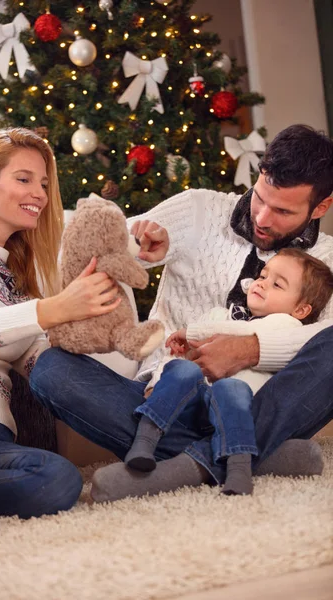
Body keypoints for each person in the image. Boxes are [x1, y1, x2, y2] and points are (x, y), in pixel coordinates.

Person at [30, 123, 333, 503]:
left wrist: (250, 349)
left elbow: (321, 345)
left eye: (283, 210)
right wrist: (137, 245)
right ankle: (254, 454)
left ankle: (191, 463)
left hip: (261, 402)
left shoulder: (327, 259)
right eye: (260, 198)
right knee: (51, 369)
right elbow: (93, 244)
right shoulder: (199, 208)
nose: (262, 218)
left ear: (321, 206)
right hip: (167, 398)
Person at [0, 127, 125, 539]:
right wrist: (53, 309)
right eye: (23, 179)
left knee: (59, 480)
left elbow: (39, 361)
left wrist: (102, 334)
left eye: (43, 183)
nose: (38, 193)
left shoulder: (17, 285)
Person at [124, 248, 333, 496]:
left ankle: (235, 468)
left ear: (300, 310)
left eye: (277, 284)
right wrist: (155, 386)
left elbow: (239, 335)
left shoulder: (286, 325)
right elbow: (172, 359)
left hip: (238, 418)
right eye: (263, 275)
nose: (262, 284)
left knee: (231, 388)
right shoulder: (219, 316)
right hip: (192, 408)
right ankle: (145, 442)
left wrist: (191, 332)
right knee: (180, 368)